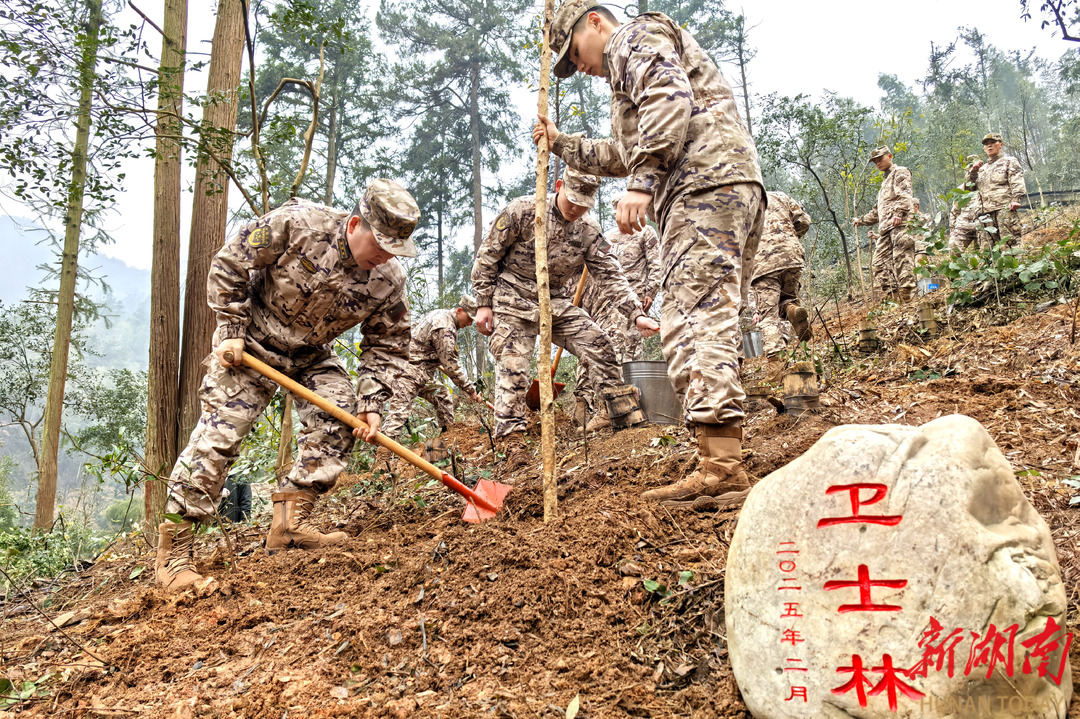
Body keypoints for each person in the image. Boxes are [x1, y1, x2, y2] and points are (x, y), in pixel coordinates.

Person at [533, 1, 765, 509]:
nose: (582, 67)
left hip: (702, 187)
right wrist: (560, 144)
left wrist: (643, 183)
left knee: (692, 322)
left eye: (576, 53)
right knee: (706, 320)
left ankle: (722, 471)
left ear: (594, 22)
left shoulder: (632, 38)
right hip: (723, 184)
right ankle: (720, 461)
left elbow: (668, 100)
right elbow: (625, 152)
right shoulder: (631, 63)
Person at [155, 180, 419, 592]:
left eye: (395, 249)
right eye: (380, 244)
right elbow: (231, 262)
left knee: (338, 422)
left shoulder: (388, 280)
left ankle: (289, 526)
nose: (385, 255)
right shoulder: (298, 225)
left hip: (310, 353)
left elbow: (387, 344)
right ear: (354, 225)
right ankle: (175, 555)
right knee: (218, 439)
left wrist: (372, 401)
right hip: (251, 343)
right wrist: (229, 328)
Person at [470, 167, 659, 445]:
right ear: (558, 186)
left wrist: (636, 314)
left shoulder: (588, 230)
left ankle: (619, 415)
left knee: (599, 344)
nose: (576, 209)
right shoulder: (523, 210)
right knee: (514, 368)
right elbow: (487, 256)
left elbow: (610, 274)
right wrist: (483, 303)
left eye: (584, 204)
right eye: (572, 201)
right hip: (513, 300)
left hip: (555, 302)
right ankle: (512, 443)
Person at [571, 201, 661, 431]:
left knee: (629, 352)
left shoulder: (646, 232)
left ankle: (627, 411)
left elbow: (656, 264)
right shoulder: (607, 237)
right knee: (600, 349)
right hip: (606, 302)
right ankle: (590, 406)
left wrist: (650, 292)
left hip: (633, 303)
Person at [380, 295, 484, 440]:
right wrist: (471, 390)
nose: (470, 323)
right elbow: (451, 366)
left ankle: (446, 441)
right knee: (398, 415)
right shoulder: (445, 327)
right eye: (469, 318)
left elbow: (412, 331)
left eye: (473, 320)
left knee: (441, 395)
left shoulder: (438, 313)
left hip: (420, 373)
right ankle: (384, 458)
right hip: (408, 373)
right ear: (459, 310)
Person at [750, 191, 812, 358]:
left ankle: (776, 369)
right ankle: (791, 310)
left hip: (763, 263)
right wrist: (789, 236)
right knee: (787, 298)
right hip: (792, 255)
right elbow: (804, 221)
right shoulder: (780, 196)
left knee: (768, 317)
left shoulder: (741, 200)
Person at [853, 146, 916, 302]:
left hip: (900, 224)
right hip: (885, 229)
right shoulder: (884, 184)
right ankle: (895, 299)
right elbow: (877, 212)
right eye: (875, 162)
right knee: (879, 263)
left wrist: (898, 213)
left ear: (890, 156)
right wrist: (860, 221)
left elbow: (905, 195)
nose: (878, 164)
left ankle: (909, 296)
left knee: (902, 259)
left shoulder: (900, 172)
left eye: (880, 159)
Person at [968, 133, 1025, 248]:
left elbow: (1016, 180)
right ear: (984, 148)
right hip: (984, 213)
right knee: (987, 248)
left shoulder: (1009, 161)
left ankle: (1017, 266)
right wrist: (973, 172)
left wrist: (1016, 199)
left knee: (1010, 245)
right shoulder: (981, 168)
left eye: (993, 143)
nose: (989, 146)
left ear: (1001, 145)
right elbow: (970, 188)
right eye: (986, 144)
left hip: (1003, 209)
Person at [948, 156, 983, 253]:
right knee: (953, 250)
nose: (972, 168)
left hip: (982, 224)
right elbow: (955, 211)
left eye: (974, 165)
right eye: (970, 166)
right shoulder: (961, 189)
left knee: (984, 255)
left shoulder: (985, 184)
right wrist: (953, 231)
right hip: (964, 224)